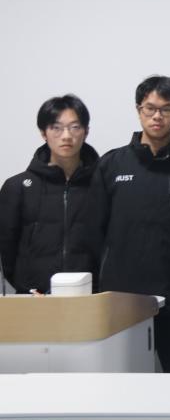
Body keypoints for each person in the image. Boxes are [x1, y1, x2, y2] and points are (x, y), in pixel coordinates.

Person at [89, 76, 170, 373]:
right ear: (138, 110)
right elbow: (93, 233)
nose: (157, 116)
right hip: (121, 302)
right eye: (150, 108)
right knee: (121, 383)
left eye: (166, 109)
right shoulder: (111, 165)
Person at [0, 95, 98, 295]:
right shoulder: (17, 187)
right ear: (43, 133)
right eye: (56, 127)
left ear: (86, 131)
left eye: (75, 127)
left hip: (91, 298)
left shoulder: (102, 185)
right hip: (35, 299)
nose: (66, 136)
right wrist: (26, 287)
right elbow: (6, 252)